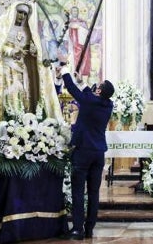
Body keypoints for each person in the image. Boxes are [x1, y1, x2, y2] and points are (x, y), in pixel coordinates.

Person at [0, 1, 61, 124]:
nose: (21, 16)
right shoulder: (3, 26)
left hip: (23, 68)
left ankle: (24, 120)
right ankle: (10, 119)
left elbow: (35, 49)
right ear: (13, 12)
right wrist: (12, 51)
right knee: (10, 93)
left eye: (25, 14)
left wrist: (34, 50)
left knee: (25, 92)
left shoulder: (30, 30)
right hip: (7, 68)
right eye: (19, 12)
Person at [62, 67, 114, 240]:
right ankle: (89, 228)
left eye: (97, 85)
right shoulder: (108, 104)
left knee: (78, 191)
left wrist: (64, 71)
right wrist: (82, 81)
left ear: (98, 90)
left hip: (83, 151)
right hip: (98, 153)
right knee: (93, 192)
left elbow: (72, 90)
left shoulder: (90, 101)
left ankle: (77, 229)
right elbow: (88, 96)